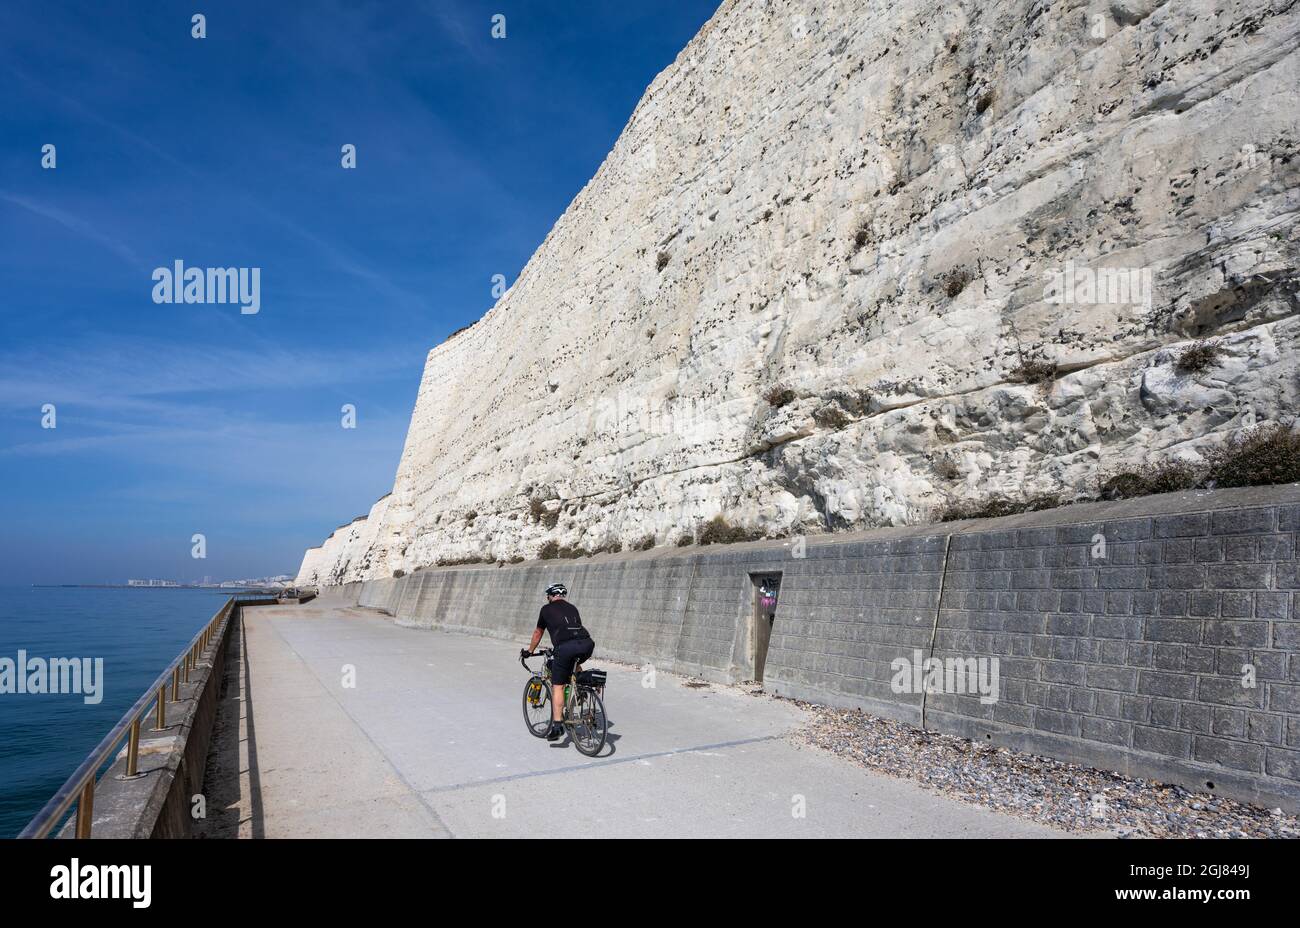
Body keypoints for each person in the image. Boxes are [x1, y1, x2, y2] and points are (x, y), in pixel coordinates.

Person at [521, 582, 594, 741]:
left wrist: (529, 651)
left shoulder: (546, 609)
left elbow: (538, 632)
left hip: (566, 647)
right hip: (587, 644)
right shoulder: (572, 607)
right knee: (574, 663)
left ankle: (557, 725)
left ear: (550, 596)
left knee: (558, 686)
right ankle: (580, 691)